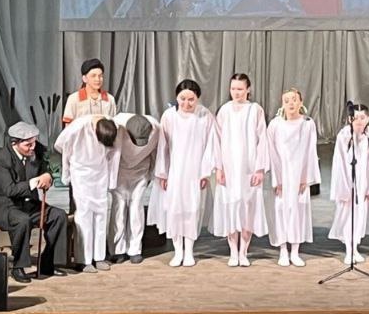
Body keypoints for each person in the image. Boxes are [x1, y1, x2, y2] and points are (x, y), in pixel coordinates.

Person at [0, 121, 68, 282]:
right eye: (28, 145)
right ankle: (18, 266)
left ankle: (49, 263)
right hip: (3, 207)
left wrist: (47, 175)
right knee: (22, 221)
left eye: (34, 143)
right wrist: (35, 182)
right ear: (15, 143)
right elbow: (10, 190)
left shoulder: (37, 150)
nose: (32, 147)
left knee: (58, 216)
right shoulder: (1, 160)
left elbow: (45, 168)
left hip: (28, 204)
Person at [153, 78, 218, 266]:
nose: (186, 103)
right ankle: (177, 251)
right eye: (182, 99)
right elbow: (163, 147)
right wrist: (163, 173)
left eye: (191, 99)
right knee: (174, 209)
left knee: (192, 209)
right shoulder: (169, 116)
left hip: (195, 172)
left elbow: (211, 145)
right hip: (174, 171)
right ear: (176, 97)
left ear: (197, 98)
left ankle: (189, 251)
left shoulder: (205, 116)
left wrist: (205, 172)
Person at [211, 74, 270, 266]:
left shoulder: (255, 110)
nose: (236, 93)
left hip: (249, 168)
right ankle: (232, 252)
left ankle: (243, 251)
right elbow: (216, 141)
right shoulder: (224, 110)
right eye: (233, 89)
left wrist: (260, 169)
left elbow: (262, 140)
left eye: (240, 89)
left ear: (248, 89)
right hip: (228, 168)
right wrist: (218, 167)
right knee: (230, 206)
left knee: (247, 207)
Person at [54, 114, 121, 272]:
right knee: (84, 216)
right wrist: (67, 172)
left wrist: (112, 180)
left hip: (101, 174)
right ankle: (84, 260)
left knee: (101, 215)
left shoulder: (112, 126)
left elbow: (114, 154)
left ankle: (99, 257)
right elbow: (61, 145)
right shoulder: (78, 127)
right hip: (81, 174)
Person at [267, 87, 321, 266]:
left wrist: (306, 177)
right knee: (281, 209)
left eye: (294, 99)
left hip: (299, 175)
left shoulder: (307, 124)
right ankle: (283, 250)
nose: (290, 103)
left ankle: (295, 251)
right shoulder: (275, 125)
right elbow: (272, 152)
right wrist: (277, 179)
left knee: (298, 210)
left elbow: (311, 151)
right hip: (282, 174)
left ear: (301, 102)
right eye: (286, 100)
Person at [328, 102, 369, 264]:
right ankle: (348, 250)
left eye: (362, 118)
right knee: (347, 215)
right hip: (347, 181)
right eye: (356, 118)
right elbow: (339, 162)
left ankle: (355, 248)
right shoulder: (344, 135)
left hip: (363, 182)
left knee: (359, 216)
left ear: (368, 118)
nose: (359, 121)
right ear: (350, 119)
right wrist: (344, 186)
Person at [109, 112, 159, 264]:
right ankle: (117, 250)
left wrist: (151, 175)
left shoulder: (156, 127)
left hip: (141, 171)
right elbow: (111, 154)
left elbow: (156, 154)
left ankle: (135, 249)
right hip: (120, 170)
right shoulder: (117, 125)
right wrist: (110, 178)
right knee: (119, 208)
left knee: (136, 208)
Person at [62, 58, 118, 124]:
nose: (97, 79)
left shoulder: (110, 99)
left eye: (100, 76)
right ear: (84, 78)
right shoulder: (73, 99)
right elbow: (68, 126)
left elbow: (113, 124)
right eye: (93, 76)